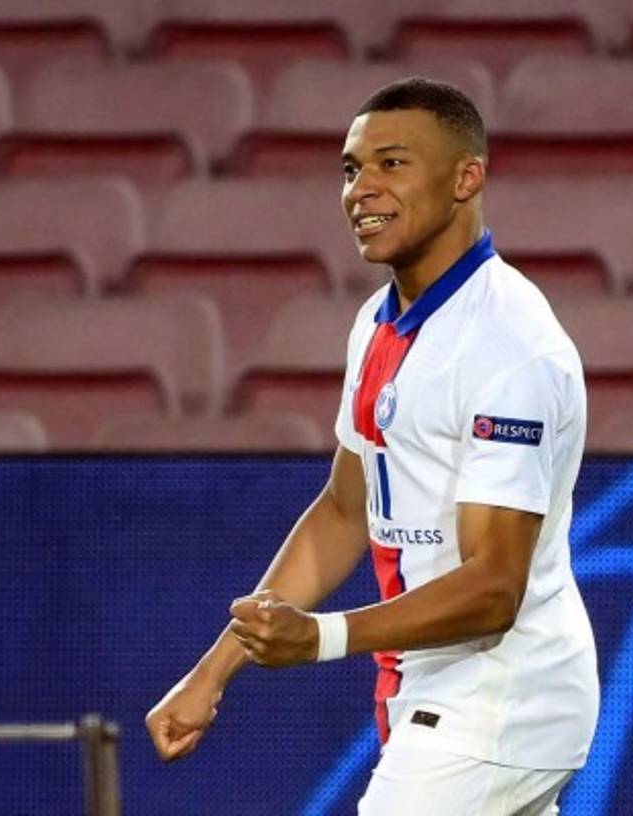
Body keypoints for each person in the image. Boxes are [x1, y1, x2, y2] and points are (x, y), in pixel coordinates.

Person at [146, 77, 599, 815]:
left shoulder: (510, 346)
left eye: (392, 164)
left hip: (498, 702)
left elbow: (494, 587)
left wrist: (321, 638)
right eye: (352, 169)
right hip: (444, 695)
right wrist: (215, 670)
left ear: (466, 178)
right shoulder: (378, 323)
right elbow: (343, 509)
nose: (361, 189)